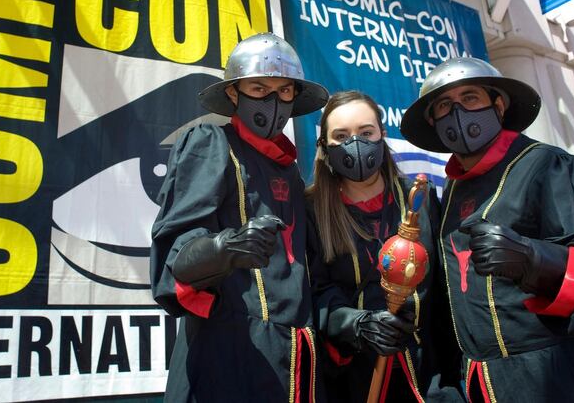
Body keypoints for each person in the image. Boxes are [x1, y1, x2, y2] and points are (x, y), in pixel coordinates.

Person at [400, 57, 574, 402]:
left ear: (498, 105)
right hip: (480, 388)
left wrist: (537, 261)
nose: (458, 113)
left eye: (470, 98)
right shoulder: (449, 195)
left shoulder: (550, 166)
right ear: (433, 122)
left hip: (561, 381)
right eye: (444, 106)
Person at [150, 33, 329, 402]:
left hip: (296, 358)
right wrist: (224, 246)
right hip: (230, 353)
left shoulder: (291, 171)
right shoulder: (210, 142)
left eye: (284, 91)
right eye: (259, 88)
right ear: (234, 93)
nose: (273, 101)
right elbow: (177, 259)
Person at [306, 91, 443, 402]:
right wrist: (356, 324)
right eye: (341, 136)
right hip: (355, 379)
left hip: (427, 376)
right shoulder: (311, 210)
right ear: (325, 147)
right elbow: (312, 291)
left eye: (366, 132)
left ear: (382, 134)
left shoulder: (420, 199)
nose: (355, 143)